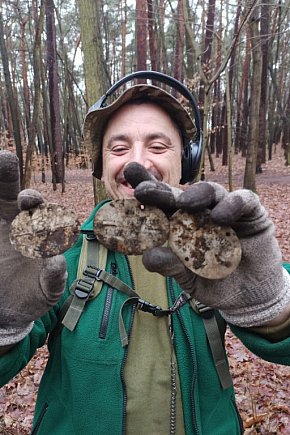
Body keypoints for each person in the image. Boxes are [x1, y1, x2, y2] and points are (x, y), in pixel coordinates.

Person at [1, 73, 290, 435]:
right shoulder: (61, 257)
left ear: (186, 161)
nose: (137, 163)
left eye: (157, 146)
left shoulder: (216, 246)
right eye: (119, 149)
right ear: (101, 166)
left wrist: (271, 307)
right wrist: (4, 323)